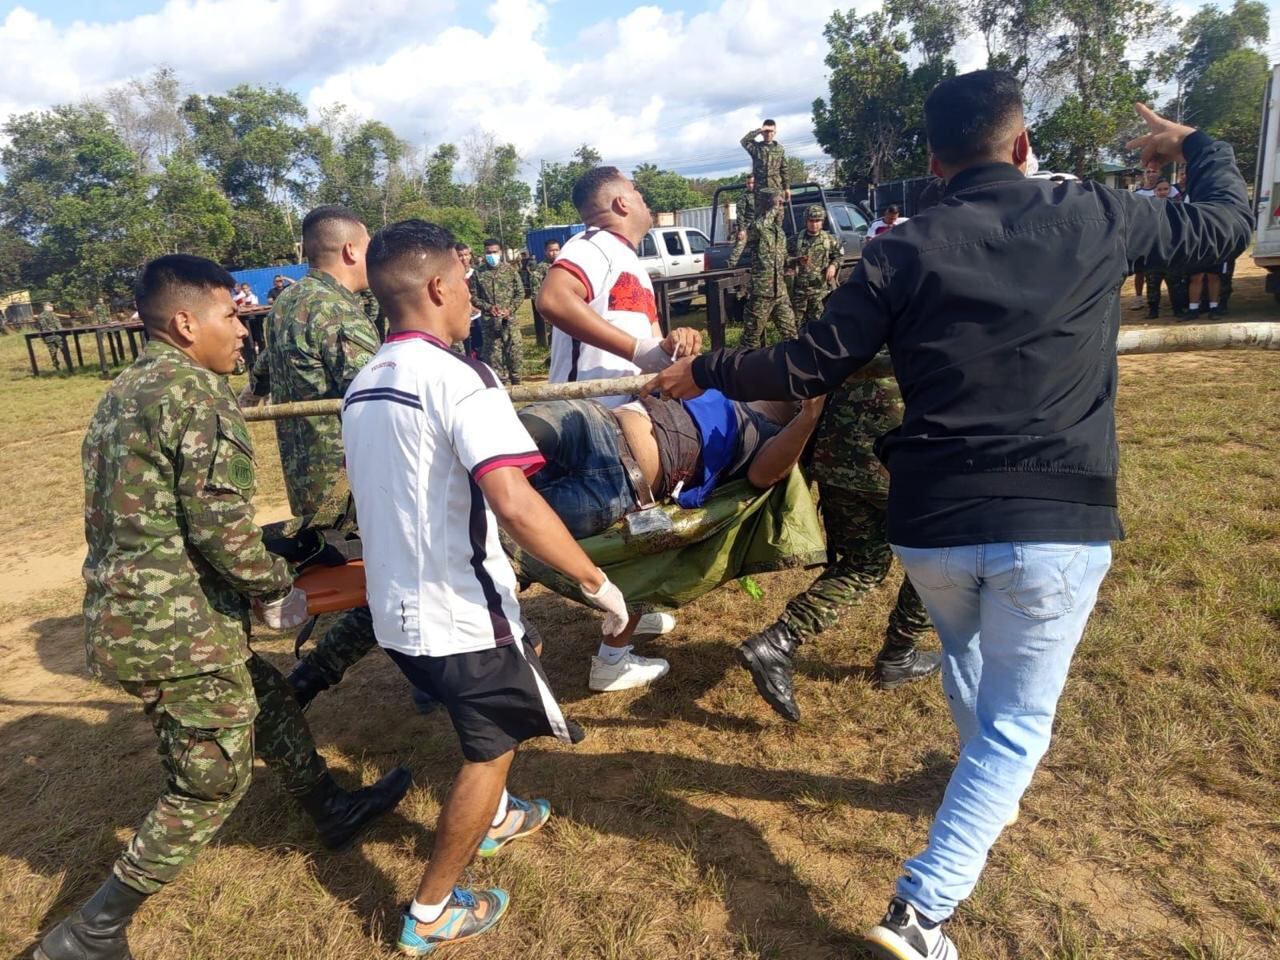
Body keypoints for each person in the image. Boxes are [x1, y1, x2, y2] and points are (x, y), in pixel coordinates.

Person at [647, 71, 1251, 959]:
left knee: (970, 665)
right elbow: (1227, 225)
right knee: (1019, 725)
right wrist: (1195, 142)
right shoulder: (1093, 213)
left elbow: (807, 365)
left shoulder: (899, 248)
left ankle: (976, 781)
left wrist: (704, 371)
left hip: (931, 525)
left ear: (932, 164)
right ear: (1022, 143)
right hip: (1052, 519)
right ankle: (921, 910)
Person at [36, 255, 411, 960]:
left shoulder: (126, 389)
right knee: (208, 783)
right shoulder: (196, 396)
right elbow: (219, 529)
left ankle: (329, 807)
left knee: (264, 700)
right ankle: (93, 930)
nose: (245, 329)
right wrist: (279, 590)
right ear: (185, 322)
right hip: (175, 628)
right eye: (231, 315)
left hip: (141, 612)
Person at [342, 219, 627, 956]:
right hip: (457, 610)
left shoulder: (365, 381)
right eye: (465, 283)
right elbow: (515, 502)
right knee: (492, 742)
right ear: (437, 287)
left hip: (395, 613)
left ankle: (499, 820)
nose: (473, 297)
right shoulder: (460, 376)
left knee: (480, 708)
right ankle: (432, 910)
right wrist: (595, 581)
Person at [521, 390, 823, 691]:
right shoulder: (735, 378)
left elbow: (763, 476)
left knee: (507, 531)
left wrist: (808, 418)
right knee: (505, 436)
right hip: (596, 424)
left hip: (614, 486)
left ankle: (510, 644)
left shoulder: (776, 438)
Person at [240, 206, 384, 711]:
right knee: (398, 581)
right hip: (352, 486)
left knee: (388, 582)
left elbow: (258, 377)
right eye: (368, 248)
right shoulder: (338, 311)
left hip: (310, 484)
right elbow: (383, 393)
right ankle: (309, 678)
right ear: (350, 250)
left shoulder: (287, 302)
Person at [535, 166, 703, 407]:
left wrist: (674, 347)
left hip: (627, 412)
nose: (643, 198)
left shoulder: (631, 263)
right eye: (636, 190)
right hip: (587, 416)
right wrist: (637, 350)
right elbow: (552, 299)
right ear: (622, 203)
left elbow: (653, 350)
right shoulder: (592, 244)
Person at [741, 189, 797, 350]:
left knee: (791, 335)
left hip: (780, 292)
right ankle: (743, 371)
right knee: (751, 339)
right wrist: (773, 206)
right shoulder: (756, 227)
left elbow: (783, 258)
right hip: (761, 294)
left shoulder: (778, 232)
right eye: (778, 205)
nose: (781, 210)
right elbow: (758, 227)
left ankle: (792, 370)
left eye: (781, 206)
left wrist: (795, 261)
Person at [473, 239, 526, 384]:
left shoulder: (510, 271)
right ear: (484, 253)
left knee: (514, 353)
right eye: (488, 252)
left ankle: (517, 383)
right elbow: (473, 297)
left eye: (495, 252)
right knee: (493, 357)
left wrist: (510, 309)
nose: (492, 255)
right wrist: (489, 308)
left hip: (509, 321)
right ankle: (501, 386)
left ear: (500, 252)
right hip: (490, 323)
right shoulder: (478, 274)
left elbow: (520, 293)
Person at [788, 205, 842, 328]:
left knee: (818, 324)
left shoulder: (829, 239)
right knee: (796, 325)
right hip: (798, 291)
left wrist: (833, 266)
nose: (814, 224)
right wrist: (796, 260)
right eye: (811, 221)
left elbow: (838, 256)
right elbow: (783, 259)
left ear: (822, 222)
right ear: (806, 221)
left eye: (817, 221)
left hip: (819, 292)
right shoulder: (795, 240)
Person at [1142, 179, 1177, 319]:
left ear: (1169, 190)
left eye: (1165, 189)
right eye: (1160, 189)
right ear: (1155, 191)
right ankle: (1153, 310)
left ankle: (1178, 309)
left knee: (1175, 283)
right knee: (1152, 283)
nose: (1163, 192)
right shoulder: (1146, 206)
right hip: (1153, 252)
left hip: (1172, 252)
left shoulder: (1176, 206)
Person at [741, 120, 788, 199]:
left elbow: (784, 169)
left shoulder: (780, 149)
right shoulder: (756, 148)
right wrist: (759, 130)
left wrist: (786, 188)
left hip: (776, 190)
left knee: (778, 210)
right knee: (761, 211)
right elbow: (744, 141)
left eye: (771, 131)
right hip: (760, 192)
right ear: (762, 133)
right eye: (766, 131)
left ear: (775, 132)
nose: (768, 134)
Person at [726, 175, 756, 269]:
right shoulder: (744, 197)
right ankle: (731, 264)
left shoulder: (761, 194)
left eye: (752, 183)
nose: (750, 185)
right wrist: (742, 229)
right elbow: (740, 214)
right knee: (740, 242)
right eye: (748, 183)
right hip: (747, 225)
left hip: (759, 225)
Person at [35, 302, 65, 371]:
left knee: (52, 352)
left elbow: (40, 328)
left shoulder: (40, 316)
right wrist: (62, 332)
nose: (52, 307)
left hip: (48, 337)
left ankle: (57, 367)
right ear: (46, 307)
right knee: (64, 350)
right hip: (57, 336)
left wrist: (43, 338)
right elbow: (57, 325)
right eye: (51, 306)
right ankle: (69, 366)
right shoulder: (51, 314)